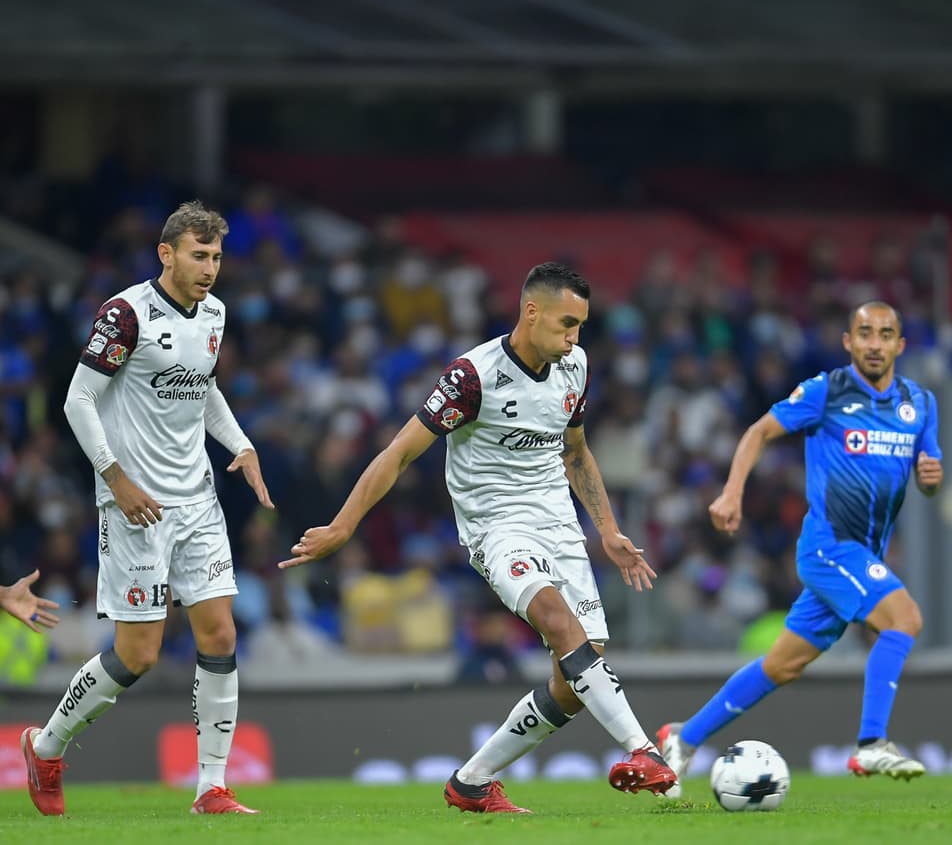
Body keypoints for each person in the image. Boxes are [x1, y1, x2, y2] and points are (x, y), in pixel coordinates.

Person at [280, 263, 676, 813]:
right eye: (566, 324)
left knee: (578, 676)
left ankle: (470, 782)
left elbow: (577, 451)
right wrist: (344, 525)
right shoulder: (473, 377)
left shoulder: (575, 366)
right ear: (530, 312)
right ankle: (644, 750)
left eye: (581, 326)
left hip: (559, 524)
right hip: (496, 527)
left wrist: (606, 530)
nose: (574, 338)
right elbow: (398, 453)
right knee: (561, 624)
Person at [21, 201, 274, 817]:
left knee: (219, 632)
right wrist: (117, 478)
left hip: (198, 501)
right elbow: (78, 402)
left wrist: (240, 445)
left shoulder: (214, 313)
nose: (210, 268)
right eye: (198, 255)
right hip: (135, 506)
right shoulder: (126, 314)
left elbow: (203, 386)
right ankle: (46, 745)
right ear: (167, 254)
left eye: (215, 256)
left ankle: (211, 786)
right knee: (138, 654)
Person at [657, 301, 943, 795]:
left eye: (885, 334)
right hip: (830, 546)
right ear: (848, 342)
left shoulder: (920, 404)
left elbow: (930, 475)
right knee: (905, 620)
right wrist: (731, 491)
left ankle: (683, 737)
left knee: (782, 664)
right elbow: (759, 432)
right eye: (865, 333)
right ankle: (872, 743)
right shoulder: (826, 392)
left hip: (865, 556)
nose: (875, 343)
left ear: (900, 344)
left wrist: (931, 478)